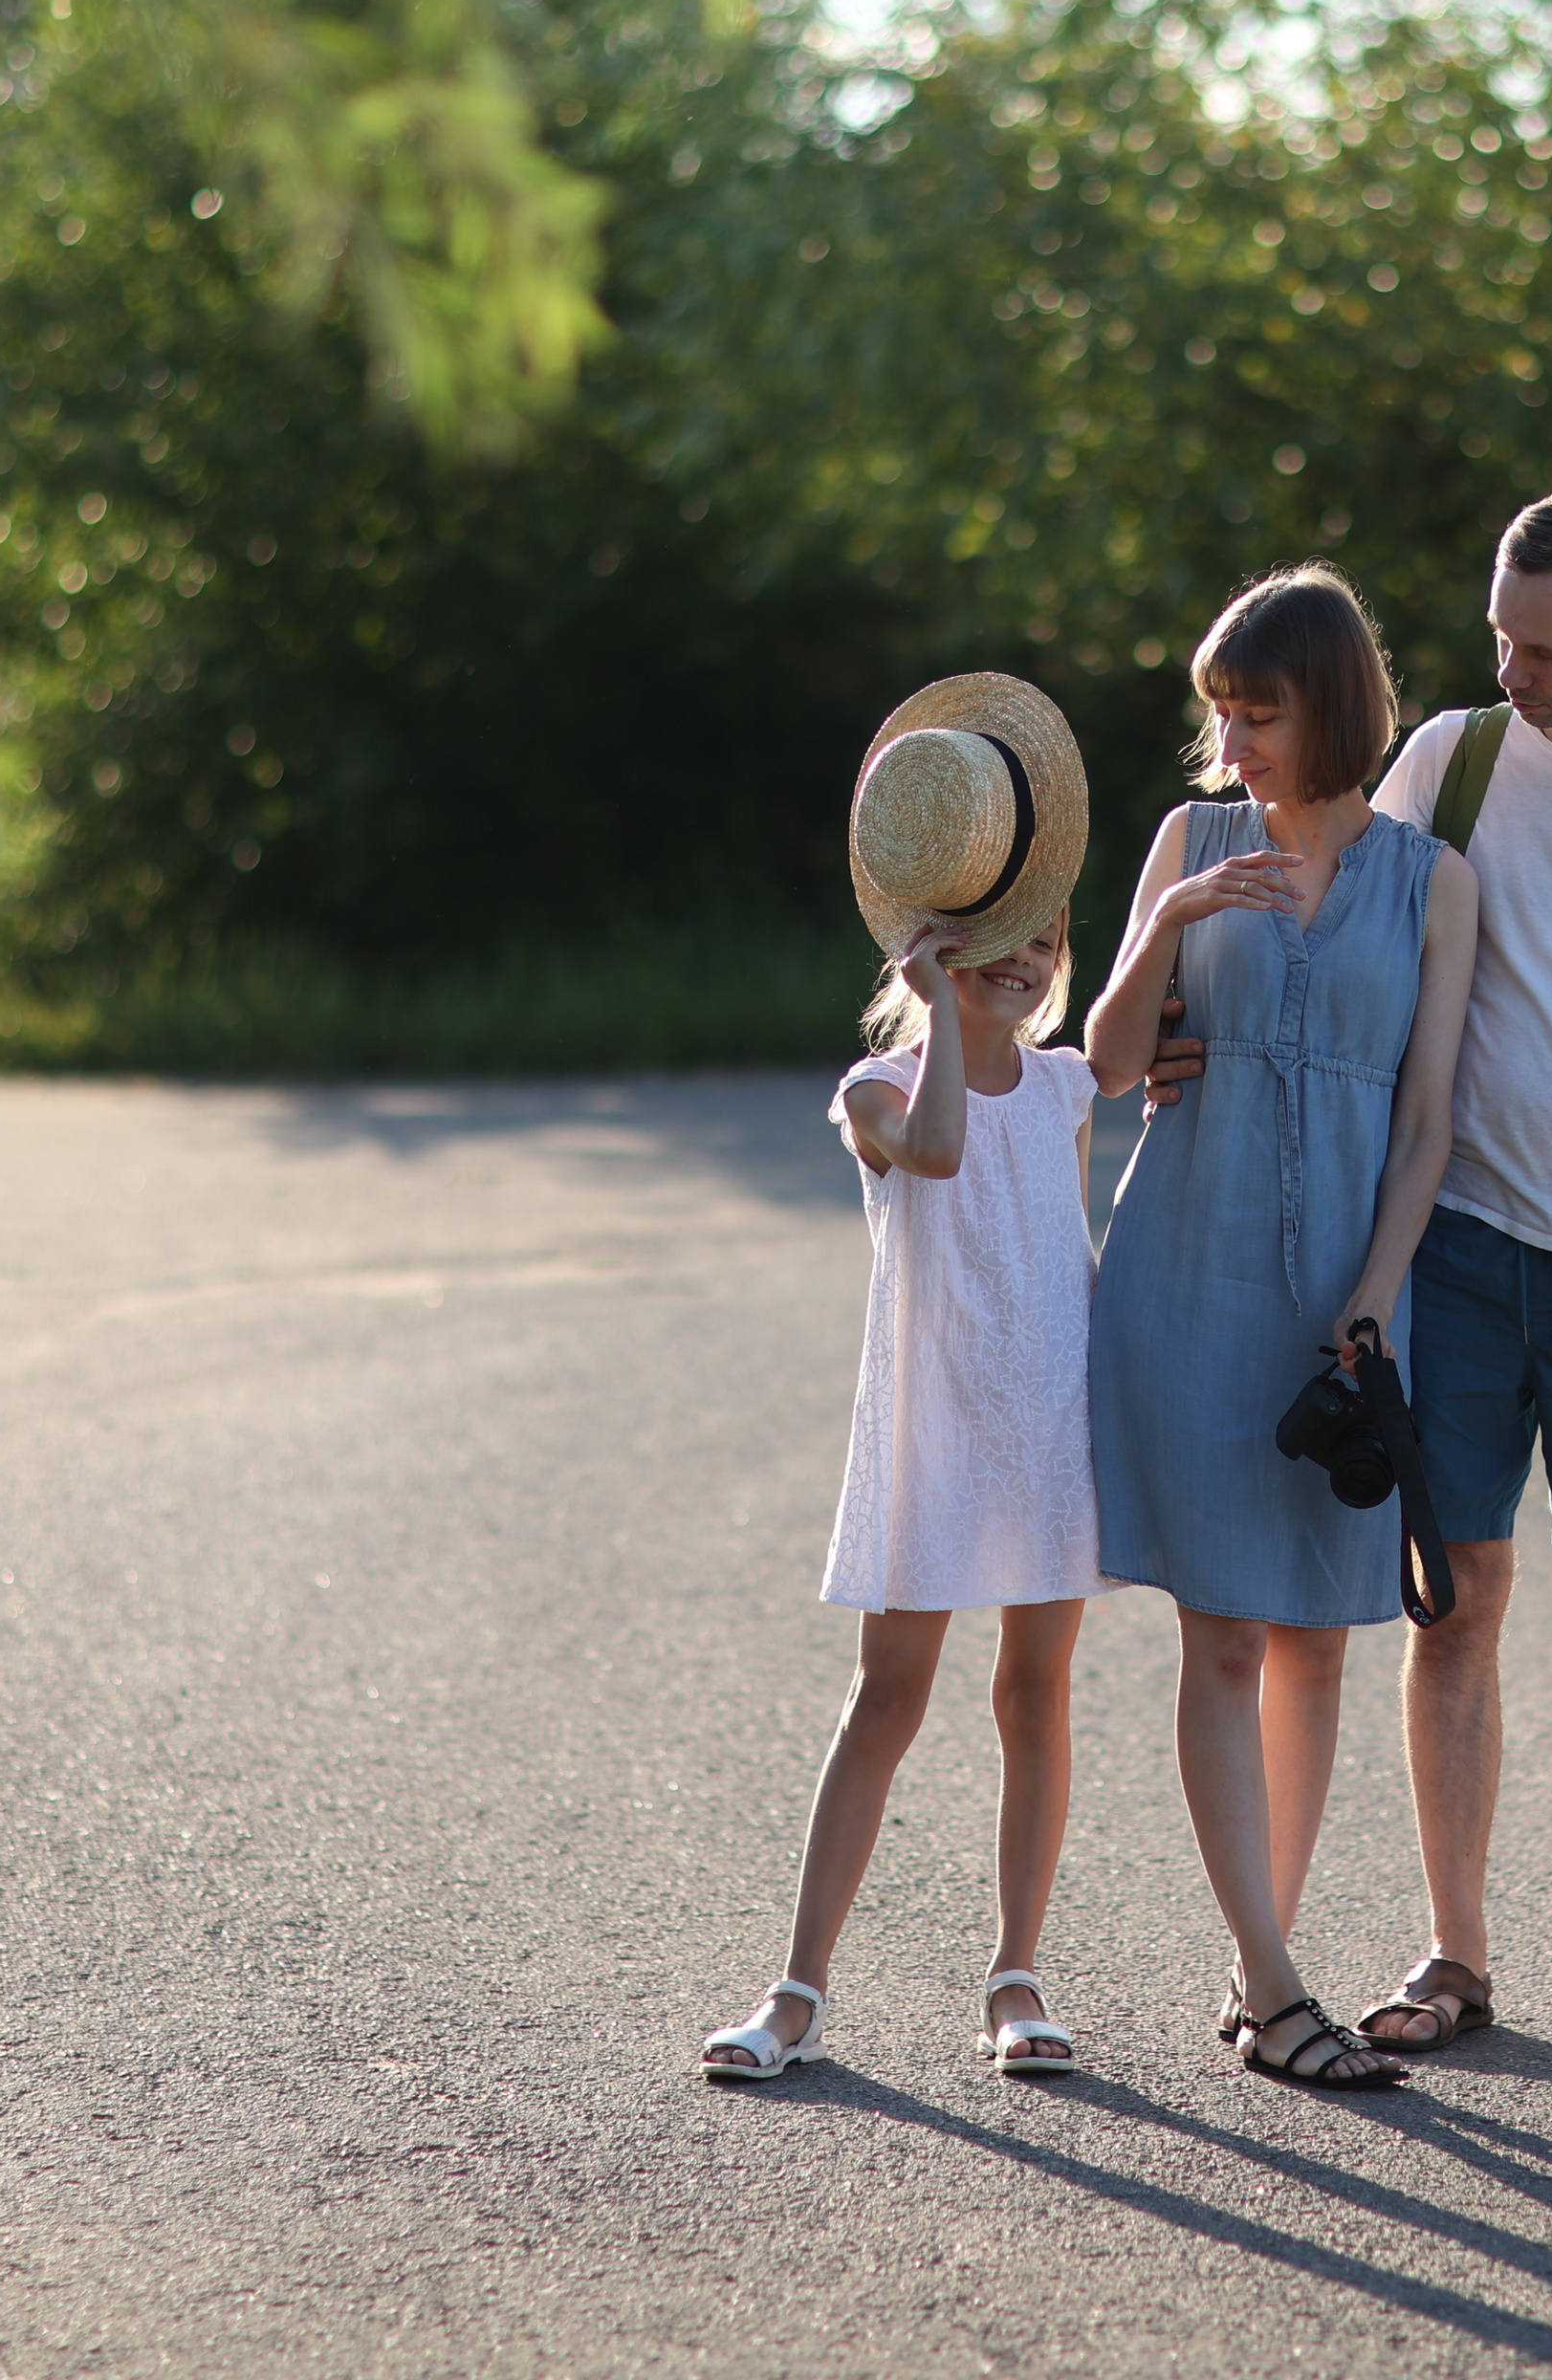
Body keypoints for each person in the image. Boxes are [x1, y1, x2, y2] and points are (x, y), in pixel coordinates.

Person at [1149, 476, 1552, 2059]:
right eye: (1499, 635)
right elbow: (1319, 909)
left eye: (1544, 650)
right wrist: (1177, 1020)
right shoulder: (1456, 755)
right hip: (1451, 1250)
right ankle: (1456, 1955)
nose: (1509, 669)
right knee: (1457, 1603)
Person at [1085, 564, 1478, 2093]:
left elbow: (1429, 1119)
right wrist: (1169, 920)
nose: (1234, 742)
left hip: (1347, 1296)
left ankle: (1269, 1963)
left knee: (1316, 1635)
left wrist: (1378, 1287)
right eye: (1223, 715)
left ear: (1334, 706)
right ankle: (1273, 1982)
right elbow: (1110, 1061)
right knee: (1224, 1633)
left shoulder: (1435, 881)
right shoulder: (1191, 841)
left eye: (1261, 713)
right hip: (1187, 1272)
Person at [702, 676, 1104, 2081]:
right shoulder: (879, 1086)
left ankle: (1016, 1976)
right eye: (997, 937)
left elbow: (1064, 1257)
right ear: (935, 943)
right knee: (887, 1697)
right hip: (932, 1431)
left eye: (1044, 936)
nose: (1026, 960)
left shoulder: (1066, 1089)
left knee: (1035, 1693)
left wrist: (1167, 916)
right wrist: (937, 1015)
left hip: (1045, 1425)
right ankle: (797, 1991)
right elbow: (936, 1153)